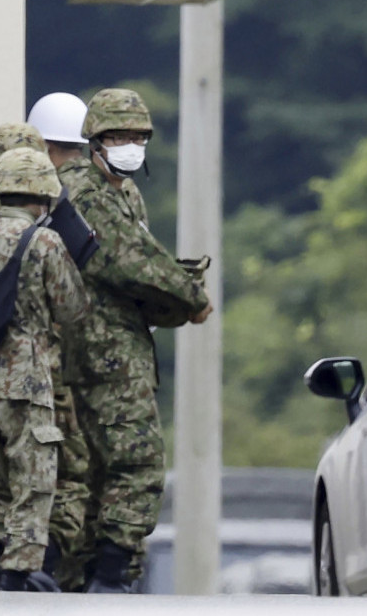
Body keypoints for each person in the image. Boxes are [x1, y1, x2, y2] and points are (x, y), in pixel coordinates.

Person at [65, 89, 213, 593]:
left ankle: (103, 575)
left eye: (137, 138)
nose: (129, 146)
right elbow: (128, 260)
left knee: (100, 467)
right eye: (118, 137)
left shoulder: (123, 191)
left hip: (120, 342)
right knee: (137, 458)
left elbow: (145, 254)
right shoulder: (83, 190)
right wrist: (191, 294)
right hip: (96, 348)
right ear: (94, 141)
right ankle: (109, 572)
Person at [0, 147, 89, 592]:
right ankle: (19, 572)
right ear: (41, 196)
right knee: (34, 479)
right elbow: (71, 308)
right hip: (25, 381)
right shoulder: (43, 241)